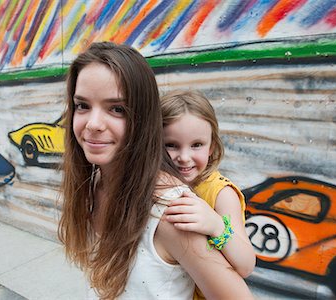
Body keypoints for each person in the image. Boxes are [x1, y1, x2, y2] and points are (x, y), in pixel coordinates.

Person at [58, 42, 253, 299]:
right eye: (82, 105)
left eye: (117, 108)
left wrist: (218, 227)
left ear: (143, 118)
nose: (93, 124)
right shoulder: (96, 181)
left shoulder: (171, 211)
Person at [161, 90, 256, 299]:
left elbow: (246, 265)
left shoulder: (221, 194)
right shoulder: (157, 186)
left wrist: (215, 225)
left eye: (197, 145)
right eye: (171, 145)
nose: (184, 157)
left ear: (211, 146)